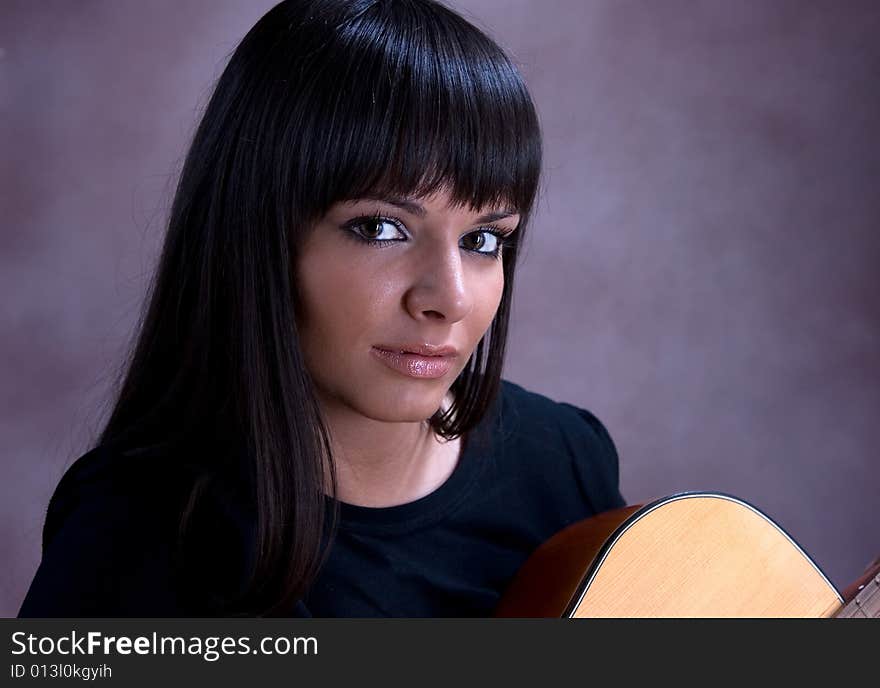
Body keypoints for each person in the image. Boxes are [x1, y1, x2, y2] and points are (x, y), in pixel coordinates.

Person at [18, 0, 625, 618]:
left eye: (484, 240)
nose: (449, 299)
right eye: (381, 229)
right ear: (257, 234)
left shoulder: (566, 460)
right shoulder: (139, 531)